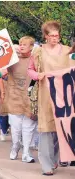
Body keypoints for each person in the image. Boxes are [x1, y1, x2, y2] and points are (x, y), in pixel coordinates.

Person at [28, 20, 75, 175]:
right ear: (46, 36)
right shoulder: (38, 52)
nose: (56, 38)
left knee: (60, 127)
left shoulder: (68, 51)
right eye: (52, 36)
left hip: (64, 95)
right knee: (46, 129)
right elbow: (30, 70)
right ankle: (46, 165)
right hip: (46, 94)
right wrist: (37, 75)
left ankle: (55, 159)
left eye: (57, 35)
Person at [6, 36, 37, 163]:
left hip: (30, 98)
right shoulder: (12, 60)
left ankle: (26, 153)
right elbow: (0, 73)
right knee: (16, 127)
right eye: (20, 44)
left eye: (25, 44)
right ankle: (15, 146)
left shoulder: (36, 60)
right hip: (14, 97)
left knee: (28, 127)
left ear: (31, 47)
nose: (21, 46)